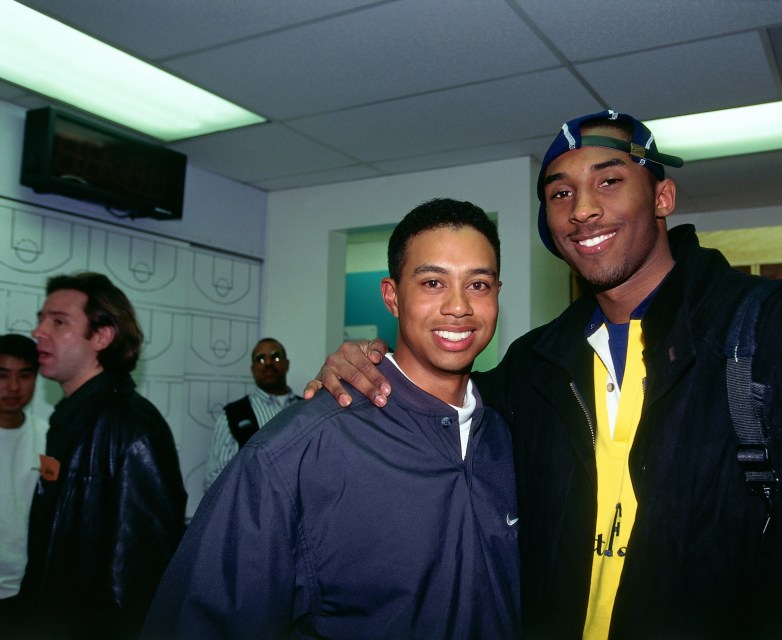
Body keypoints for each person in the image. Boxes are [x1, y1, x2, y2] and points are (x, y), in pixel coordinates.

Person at [311, 110, 782, 639]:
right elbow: (439, 402)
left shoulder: (780, 330)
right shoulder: (534, 363)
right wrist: (365, 361)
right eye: (560, 194)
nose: (584, 209)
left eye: (608, 181)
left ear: (662, 198)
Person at [142, 199, 520, 639]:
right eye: (433, 282)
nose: (459, 307)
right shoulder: (298, 450)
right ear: (392, 297)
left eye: (478, 284)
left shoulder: (512, 432)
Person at [19, 272, 186, 639]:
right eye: (40, 318)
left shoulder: (131, 427)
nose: (38, 332)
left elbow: (139, 572)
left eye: (58, 321)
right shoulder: (71, 417)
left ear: (102, 336)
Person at [203, 337, 300, 490]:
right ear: (253, 369)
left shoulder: (305, 408)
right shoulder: (232, 416)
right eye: (260, 359)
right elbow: (214, 478)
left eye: (275, 356)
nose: (268, 363)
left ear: (286, 364)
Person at [0, 335, 46, 625]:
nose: (13, 387)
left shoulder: (49, 436)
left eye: (25, 375)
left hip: (28, 588)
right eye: (2, 376)